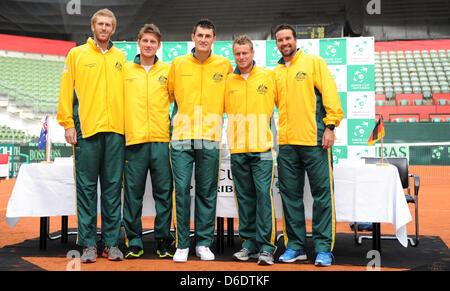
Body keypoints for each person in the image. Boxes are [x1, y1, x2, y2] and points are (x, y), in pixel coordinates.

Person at [57, 8, 126, 263]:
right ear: (93, 27)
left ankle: (111, 243)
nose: (104, 28)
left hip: (116, 132)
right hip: (87, 131)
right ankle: (87, 244)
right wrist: (67, 123)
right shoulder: (77, 54)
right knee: (86, 190)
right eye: (100, 24)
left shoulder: (121, 57)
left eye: (108, 24)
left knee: (111, 189)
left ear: (113, 28)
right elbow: (66, 91)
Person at [273, 24, 344, 266]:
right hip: (286, 145)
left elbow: (331, 95)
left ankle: (324, 248)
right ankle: (295, 246)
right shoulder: (276, 72)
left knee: (322, 196)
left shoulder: (313, 62)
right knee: (290, 197)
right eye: (280, 40)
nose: (285, 43)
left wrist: (330, 126)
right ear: (277, 44)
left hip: (315, 141)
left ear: (295, 40)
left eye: (288, 38)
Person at [167, 19, 233, 262]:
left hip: (210, 137)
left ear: (214, 39)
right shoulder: (178, 63)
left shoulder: (224, 65)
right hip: (182, 138)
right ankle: (182, 244)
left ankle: (203, 243)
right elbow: (171, 95)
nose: (204, 39)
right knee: (182, 190)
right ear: (192, 36)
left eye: (208, 36)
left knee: (206, 191)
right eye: (200, 35)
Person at [122, 24, 174, 259]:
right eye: (145, 41)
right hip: (134, 142)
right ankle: (134, 240)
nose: (149, 45)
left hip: (162, 141)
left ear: (158, 45)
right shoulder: (125, 71)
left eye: (153, 42)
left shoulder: (168, 70)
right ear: (138, 42)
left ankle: (163, 240)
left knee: (164, 193)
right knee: (133, 194)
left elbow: (177, 100)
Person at [224, 35, 277, 265]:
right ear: (234, 55)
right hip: (238, 150)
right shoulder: (227, 82)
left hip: (262, 150)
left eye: (245, 53)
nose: (242, 57)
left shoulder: (268, 77)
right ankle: (249, 244)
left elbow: (285, 106)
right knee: (244, 198)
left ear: (253, 52)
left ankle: (266, 247)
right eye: (237, 53)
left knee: (263, 197)